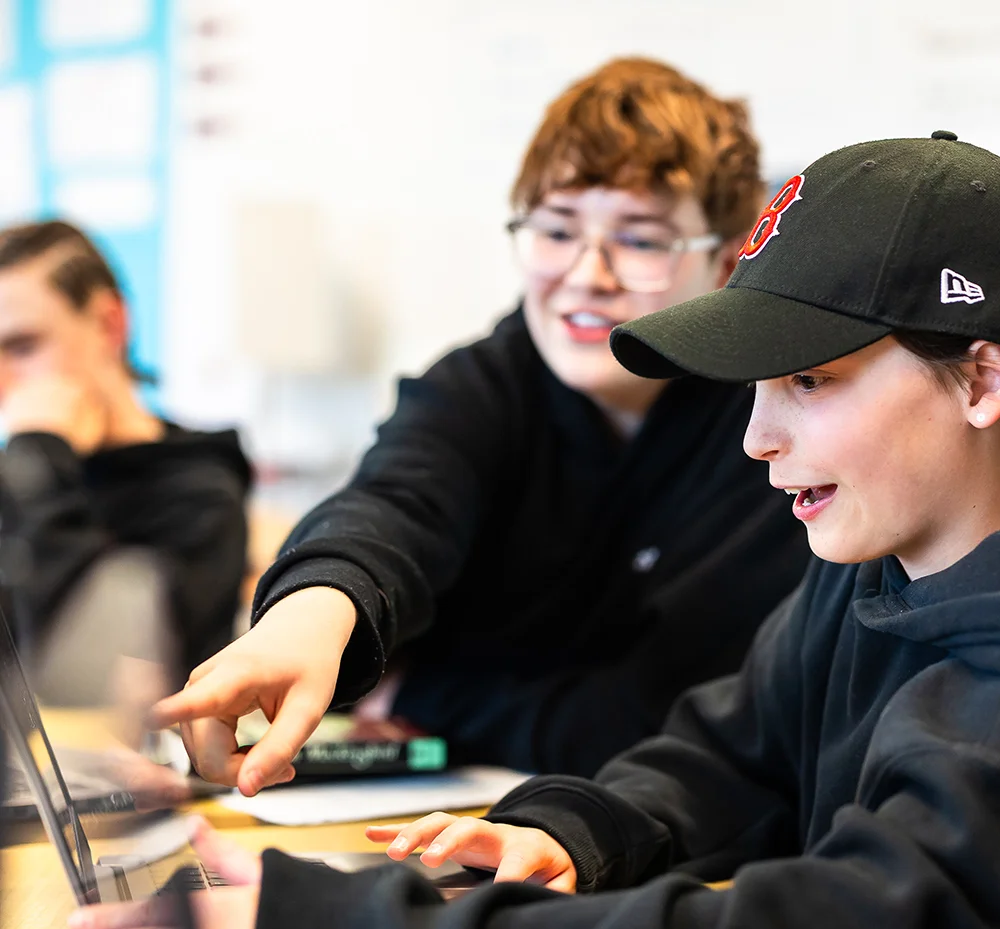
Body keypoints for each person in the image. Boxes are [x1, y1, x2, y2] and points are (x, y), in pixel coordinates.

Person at [69, 132, 1000, 929]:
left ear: (983, 380)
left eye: (808, 380)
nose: (757, 438)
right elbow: (728, 759)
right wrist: (562, 833)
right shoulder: (869, 564)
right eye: (755, 388)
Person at [150, 57, 810, 785]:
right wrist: (313, 607)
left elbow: (673, 720)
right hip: (452, 820)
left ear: (723, 263)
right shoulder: (477, 388)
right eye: (556, 231)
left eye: (642, 240)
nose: (587, 273)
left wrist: (427, 698)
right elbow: (395, 505)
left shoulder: (772, 428)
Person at [0, 221, 250, 702]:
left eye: (23, 347)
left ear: (109, 325)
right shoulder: (24, 470)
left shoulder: (200, 494)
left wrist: (41, 454)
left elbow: (81, 676)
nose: (6, 384)